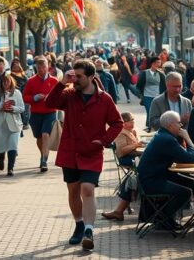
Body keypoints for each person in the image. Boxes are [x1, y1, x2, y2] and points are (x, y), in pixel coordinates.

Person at [46, 60, 124, 250]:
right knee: (73, 191)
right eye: (74, 75)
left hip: (91, 152)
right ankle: (79, 225)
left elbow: (117, 123)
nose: (75, 79)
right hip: (70, 151)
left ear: (91, 77)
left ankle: (89, 229)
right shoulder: (70, 94)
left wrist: (104, 140)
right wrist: (62, 82)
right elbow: (50, 103)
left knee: (87, 189)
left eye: (79, 76)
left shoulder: (104, 99)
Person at [136, 111, 194, 229]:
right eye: (179, 123)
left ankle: (166, 218)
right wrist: (187, 138)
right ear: (170, 125)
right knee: (185, 192)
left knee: (192, 183)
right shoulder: (167, 139)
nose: (181, 126)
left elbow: (182, 158)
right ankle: (163, 219)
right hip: (151, 182)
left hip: (154, 176)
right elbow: (191, 159)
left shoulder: (162, 135)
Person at [102, 112, 144, 221]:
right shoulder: (120, 133)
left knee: (132, 177)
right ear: (124, 123)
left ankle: (121, 209)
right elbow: (122, 151)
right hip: (126, 158)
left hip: (135, 157)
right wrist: (136, 145)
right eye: (131, 121)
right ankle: (124, 205)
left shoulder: (132, 131)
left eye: (133, 120)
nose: (133, 122)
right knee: (135, 175)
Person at [22, 56, 59, 172]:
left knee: (45, 134)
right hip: (36, 113)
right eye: (39, 67)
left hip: (50, 112)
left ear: (48, 67)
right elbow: (24, 97)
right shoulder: (31, 81)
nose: (42, 70)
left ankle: (44, 160)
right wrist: (34, 97)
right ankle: (43, 154)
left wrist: (51, 98)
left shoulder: (54, 81)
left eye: (44, 67)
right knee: (39, 138)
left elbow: (60, 96)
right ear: (36, 67)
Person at [0, 73, 25, 176]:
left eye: (7, 81)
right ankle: (1, 157)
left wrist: (12, 108)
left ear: (11, 81)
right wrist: (1, 106)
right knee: (1, 145)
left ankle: (10, 168)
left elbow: (22, 108)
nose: (5, 83)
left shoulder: (17, 93)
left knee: (13, 145)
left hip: (15, 123)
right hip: (1, 123)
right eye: (3, 81)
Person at [137, 56, 166, 131]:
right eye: (158, 63)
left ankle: (155, 126)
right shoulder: (145, 73)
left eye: (160, 63)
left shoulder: (161, 74)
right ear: (153, 63)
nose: (159, 64)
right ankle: (150, 126)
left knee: (157, 112)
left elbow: (165, 85)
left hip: (157, 96)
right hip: (147, 96)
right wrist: (141, 95)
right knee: (149, 111)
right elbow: (139, 84)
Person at [9, 58, 30, 130]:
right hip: (15, 95)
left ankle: (25, 123)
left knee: (25, 109)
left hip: (24, 94)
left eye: (17, 66)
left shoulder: (23, 75)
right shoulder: (10, 75)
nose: (16, 68)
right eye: (14, 67)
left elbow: (28, 83)